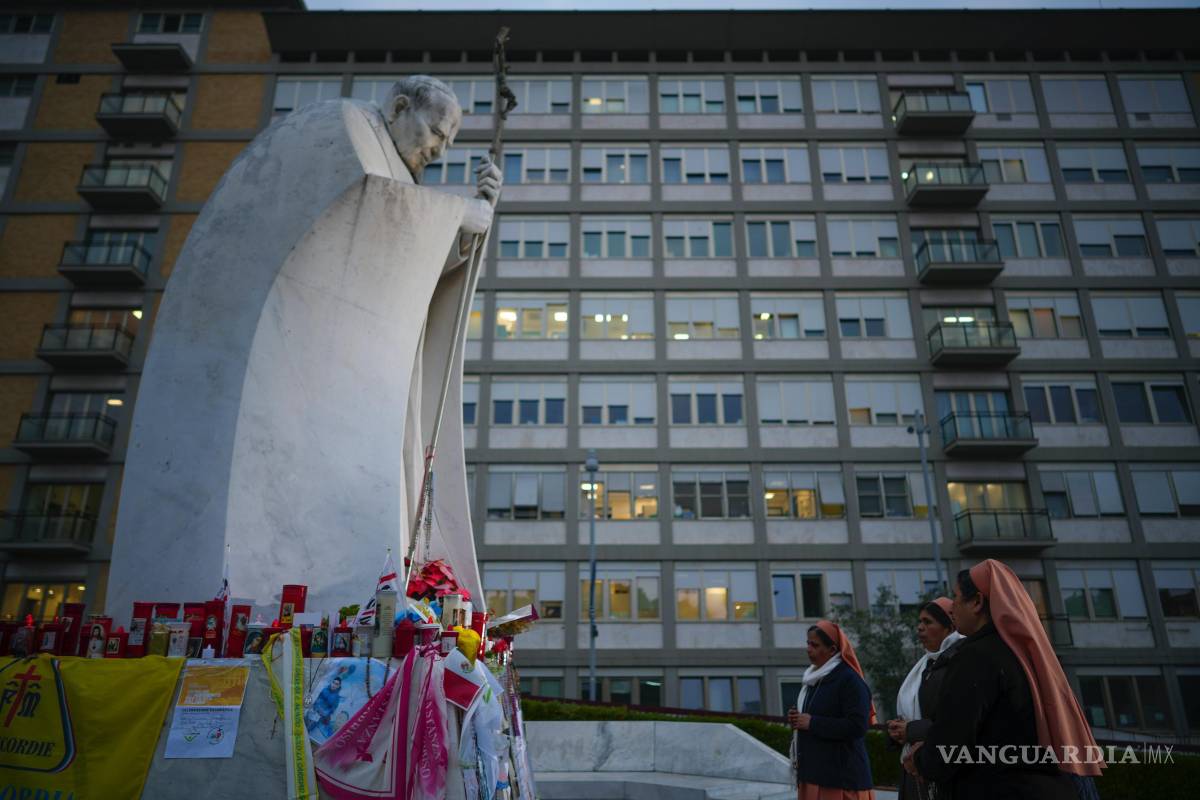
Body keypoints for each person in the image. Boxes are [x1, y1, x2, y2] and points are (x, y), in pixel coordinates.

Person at [909, 560, 1104, 799]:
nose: (953, 608)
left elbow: (952, 739)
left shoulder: (977, 656)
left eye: (956, 597)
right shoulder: (1026, 655)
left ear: (977, 602)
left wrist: (921, 760)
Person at [787, 620, 875, 800]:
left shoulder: (849, 680)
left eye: (815, 645)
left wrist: (812, 722)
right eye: (808, 643)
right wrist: (798, 718)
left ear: (832, 650)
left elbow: (858, 726)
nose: (808, 649)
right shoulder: (813, 679)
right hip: (814, 776)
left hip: (841, 781)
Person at [887, 598, 962, 800]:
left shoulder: (960, 662)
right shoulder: (927, 664)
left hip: (942, 771)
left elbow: (959, 723)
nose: (920, 628)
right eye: (919, 622)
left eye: (928, 622)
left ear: (949, 627)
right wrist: (898, 732)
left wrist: (911, 730)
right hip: (915, 768)